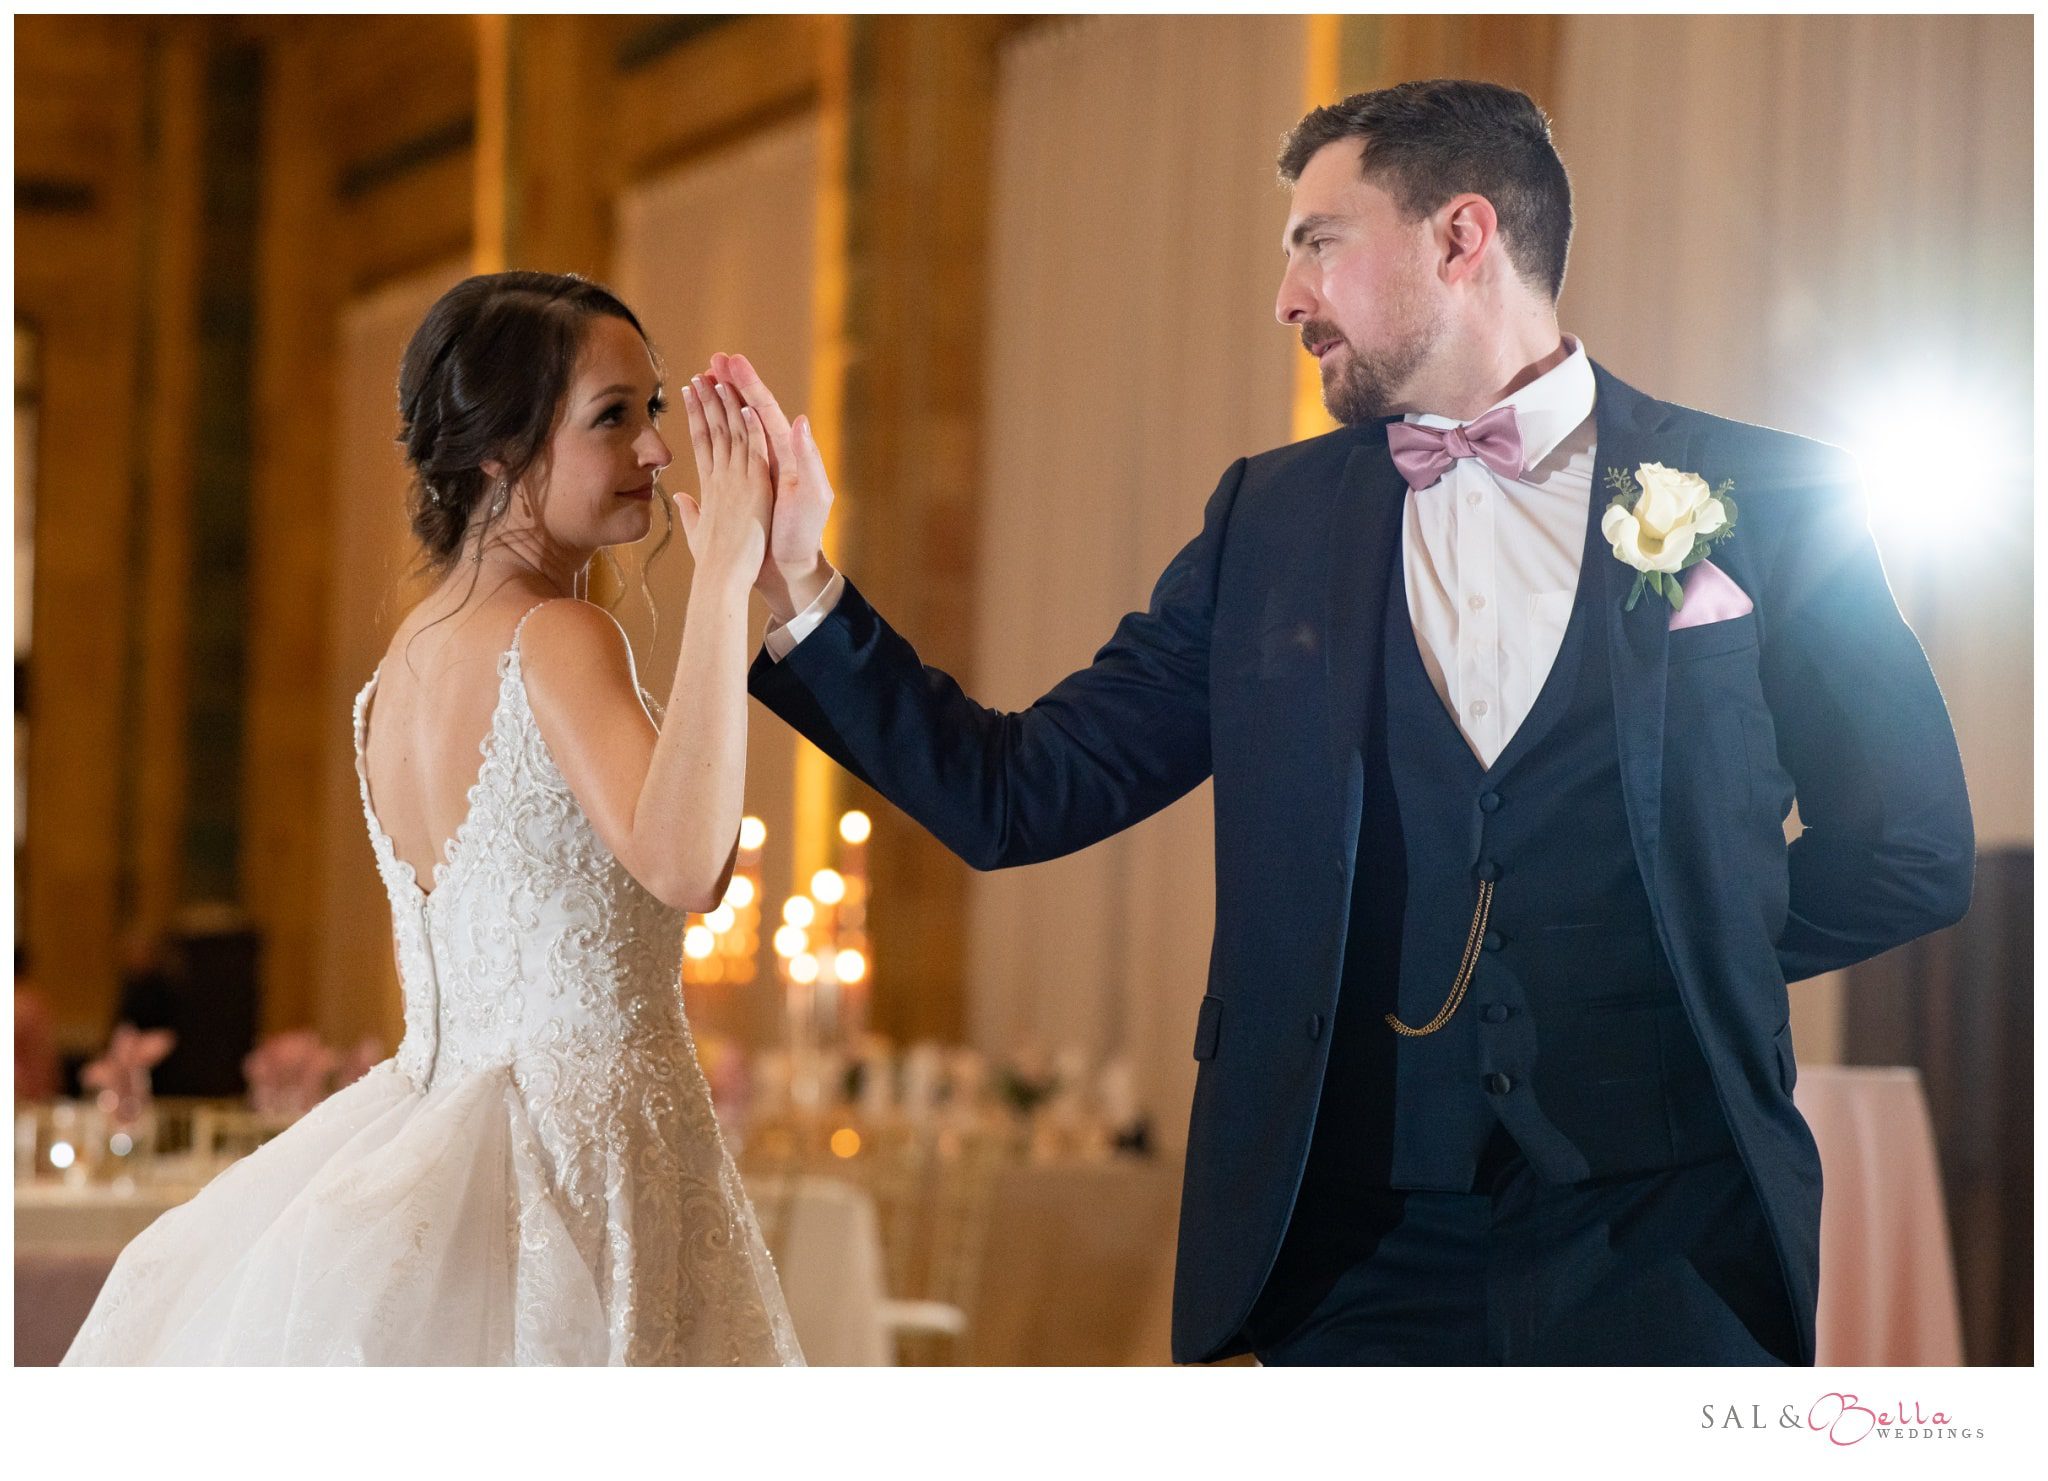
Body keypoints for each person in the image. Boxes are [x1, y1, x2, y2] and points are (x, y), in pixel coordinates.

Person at [727, 80, 1974, 1364]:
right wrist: (803, 587)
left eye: (1317, 241)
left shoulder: (1765, 493)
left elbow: (1908, 847)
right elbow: (1018, 790)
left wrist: (1689, 944)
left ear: (1460, 235)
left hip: (1671, 1242)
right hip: (1354, 1253)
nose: (1286, 297)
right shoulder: (1263, 524)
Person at [65, 272, 802, 1365]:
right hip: (581, 1160)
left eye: (653, 410)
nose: (656, 450)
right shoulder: (557, 636)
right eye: (614, 416)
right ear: (497, 453)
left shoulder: (397, 669)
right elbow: (690, 861)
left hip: (444, 1146)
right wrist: (724, 577)